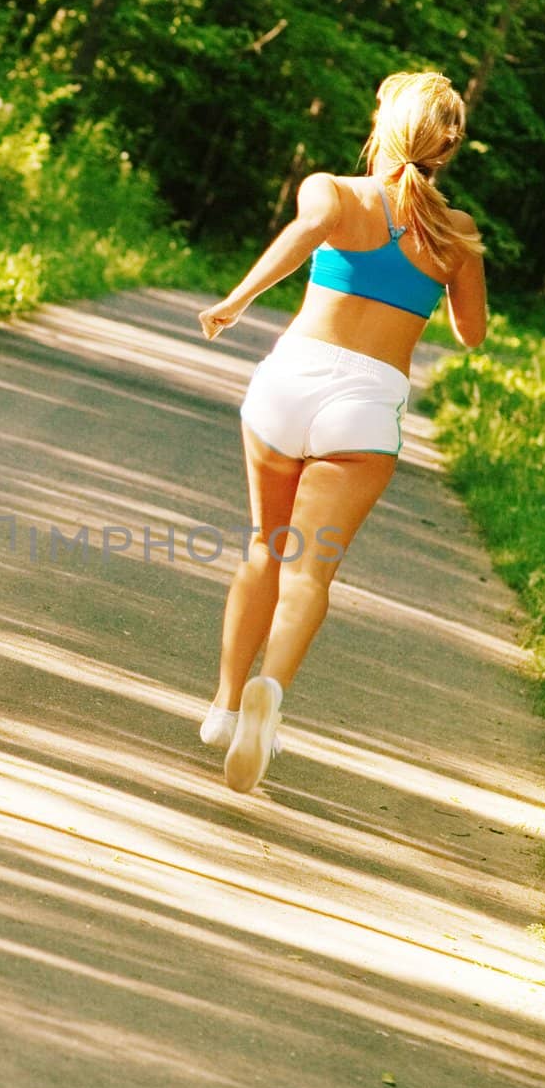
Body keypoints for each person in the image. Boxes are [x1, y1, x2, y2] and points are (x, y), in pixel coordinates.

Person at [195, 71, 488, 792]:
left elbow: (297, 242)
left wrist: (234, 302)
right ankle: (273, 692)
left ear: (383, 124)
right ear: (448, 148)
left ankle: (226, 705)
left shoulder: (331, 192)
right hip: (365, 404)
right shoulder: (458, 233)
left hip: (289, 381)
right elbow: (472, 334)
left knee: (265, 547)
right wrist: (450, 270)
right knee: (311, 567)